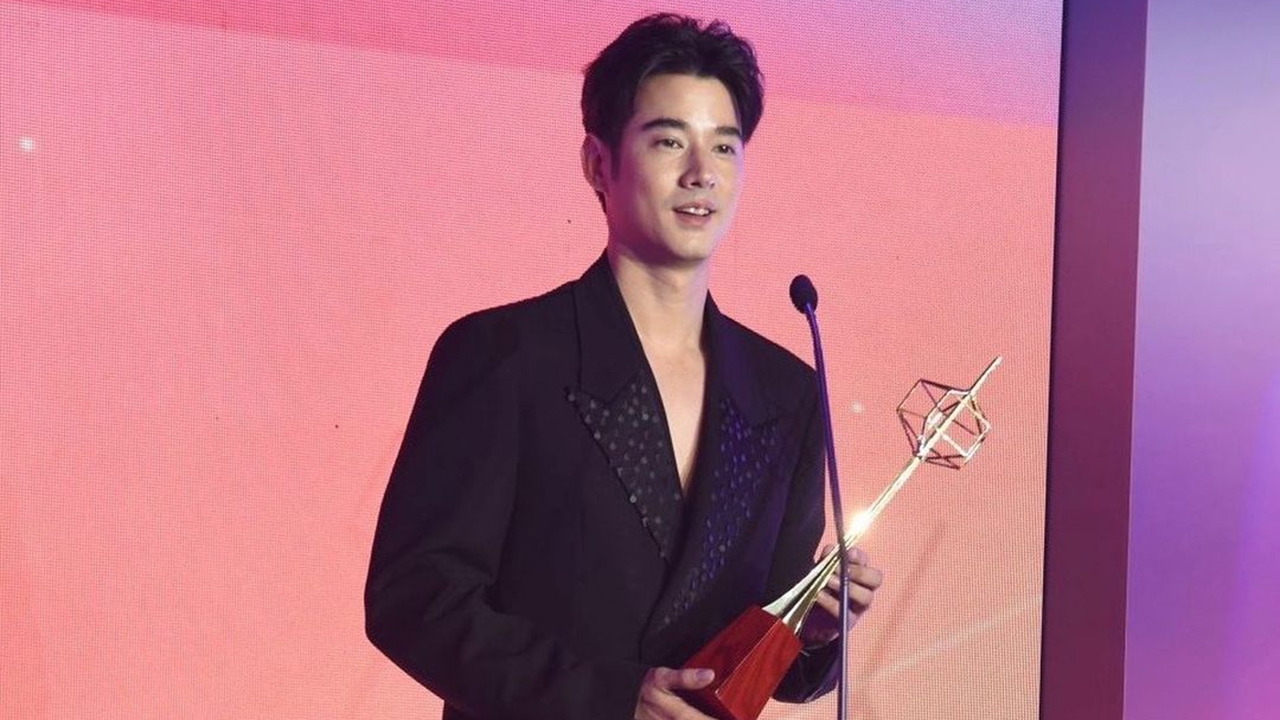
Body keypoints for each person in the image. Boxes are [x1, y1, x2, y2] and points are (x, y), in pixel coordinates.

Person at [364, 13, 882, 720]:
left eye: (724, 146)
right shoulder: (506, 355)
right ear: (598, 164)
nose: (701, 174)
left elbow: (765, 656)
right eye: (668, 140)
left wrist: (812, 631)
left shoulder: (785, 392)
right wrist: (608, 698)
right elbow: (415, 597)